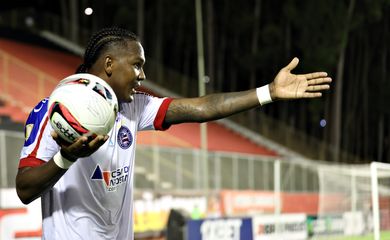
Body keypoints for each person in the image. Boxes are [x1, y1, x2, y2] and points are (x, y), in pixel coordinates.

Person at [15, 27, 331, 239]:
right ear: (109, 64)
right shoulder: (55, 110)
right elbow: (25, 189)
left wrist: (269, 93)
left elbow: (203, 108)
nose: (143, 75)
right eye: (137, 65)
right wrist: (66, 158)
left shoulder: (133, 107)